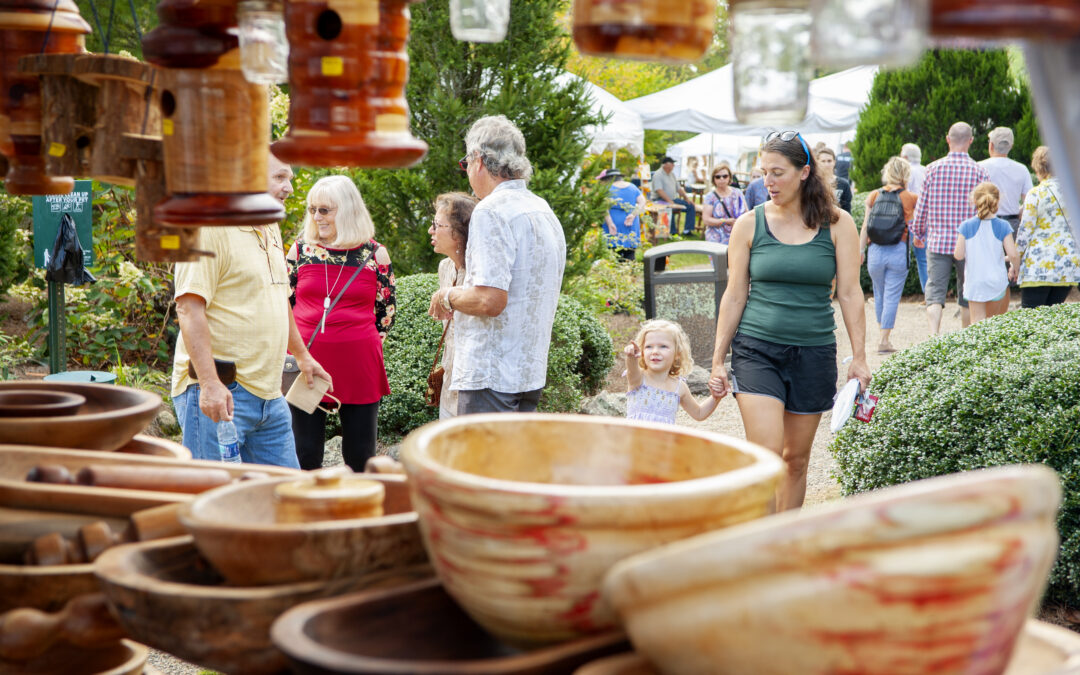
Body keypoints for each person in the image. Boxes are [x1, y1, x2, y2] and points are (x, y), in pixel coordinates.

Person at [707, 131, 870, 512]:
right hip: (756, 349)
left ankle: (785, 543)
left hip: (813, 352)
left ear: (804, 172)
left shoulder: (838, 224)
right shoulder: (749, 224)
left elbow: (850, 292)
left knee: (794, 460)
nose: (768, 182)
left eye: (777, 172)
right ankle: (758, 546)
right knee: (765, 458)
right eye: (764, 172)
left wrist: (859, 356)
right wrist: (717, 357)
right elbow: (734, 294)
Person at [171, 152, 330, 466]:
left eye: (290, 179)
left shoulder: (268, 225)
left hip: (270, 396)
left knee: (285, 499)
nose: (290, 188)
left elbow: (278, 296)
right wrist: (210, 384)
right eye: (280, 178)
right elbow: (189, 308)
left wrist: (302, 355)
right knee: (216, 501)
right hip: (223, 393)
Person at [430, 115, 566, 414]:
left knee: (480, 462)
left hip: (490, 376)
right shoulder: (542, 209)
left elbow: (489, 300)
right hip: (530, 371)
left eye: (465, 163)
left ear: (478, 159)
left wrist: (447, 296)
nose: (466, 172)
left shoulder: (491, 210)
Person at [286, 176, 395, 471]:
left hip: (358, 363)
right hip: (306, 361)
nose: (316, 217)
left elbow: (385, 312)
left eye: (325, 210)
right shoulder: (301, 251)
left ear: (347, 210)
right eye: (312, 210)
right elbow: (283, 303)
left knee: (361, 455)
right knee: (304, 453)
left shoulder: (375, 254)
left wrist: (353, 340)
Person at [911, 122, 991, 335]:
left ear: (948, 139)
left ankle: (933, 335)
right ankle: (964, 337)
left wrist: (918, 233)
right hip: (969, 244)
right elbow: (986, 212)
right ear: (971, 141)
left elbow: (922, 207)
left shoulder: (932, 169)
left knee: (935, 291)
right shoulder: (980, 172)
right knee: (968, 292)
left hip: (937, 241)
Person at [859, 156, 918, 354]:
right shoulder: (910, 197)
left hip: (875, 250)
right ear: (905, 175)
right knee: (892, 296)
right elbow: (915, 226)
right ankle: (884, 340)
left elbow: (866, 226)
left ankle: (882, 334)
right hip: (897, 249)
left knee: (879, 293)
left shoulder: (874, 195)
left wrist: (860, 251)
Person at [429, 192, 478, 419]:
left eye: (436, 225)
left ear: (457, 233)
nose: (431, 230)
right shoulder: (445, 268)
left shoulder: (480, 273)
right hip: (449, 382)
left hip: (476, 387)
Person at [1015, 146, 1080, 308]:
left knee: (1031, 322)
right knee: (1051, 321)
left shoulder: (1036, 193)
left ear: (1039, 167)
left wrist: (1015, 262)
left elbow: (1025, 231)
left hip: (1038, 266)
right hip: (1067, 266)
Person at [624, 319, 721, 425]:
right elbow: (632, 369)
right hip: (635, 440)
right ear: (642, 351)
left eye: (663, 346)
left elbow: (699, 413)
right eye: (648, 347)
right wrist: (631, 356)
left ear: (677, 353)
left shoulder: (679, 387)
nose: (655, 351)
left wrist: (715, 398)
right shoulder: (639, 379)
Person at [953, 182, 1019, 323]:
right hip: (997, 281)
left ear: (974, 200)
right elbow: (1013, 254)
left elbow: (958, 255)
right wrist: (1015, 268)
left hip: (975, 281)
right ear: (997, 200)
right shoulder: (1003, 225)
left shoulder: (966, 226)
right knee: (995, 322)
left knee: (977, 322)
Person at [979, 127, 1033, 240]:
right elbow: (1029, 202)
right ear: (1011, 146)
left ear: (991, 145)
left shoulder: (979, 167)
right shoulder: (1022, 169)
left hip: (986, 223)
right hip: (1012, 224)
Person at [601, 169, 645, 262]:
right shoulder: (633, 187)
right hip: (630, 222)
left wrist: (610, 223)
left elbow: (604, 208)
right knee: (630, 252)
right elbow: (642, 202)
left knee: (614, 252)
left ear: (609, 179)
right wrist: (633, 215)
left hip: (614, 222)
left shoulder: (607, 188)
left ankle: (618, 273)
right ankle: (628, 272)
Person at [901, 142, 928, 291]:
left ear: (905, 156)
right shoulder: (926, 170)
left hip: (910, 219)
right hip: (926, 219)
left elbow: (905, 197)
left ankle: (899, 289)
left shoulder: (906, 172)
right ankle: (927, 292)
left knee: (903, 256)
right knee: (923, 258)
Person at [701, 161, 746, 245]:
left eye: (725, 176)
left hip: (737, 235)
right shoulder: (710, 197)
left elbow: (746, 213)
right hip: (716, 237)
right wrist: (725, 221)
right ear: (713, 179)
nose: (721, 179)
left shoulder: (738, 193)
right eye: (718, 177)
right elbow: (706, 220)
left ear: (729, 177)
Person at [650, 156, 696, 236]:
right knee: (669, 207)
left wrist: (687, 198)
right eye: (672, 163)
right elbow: (659, 190)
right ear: (665, 165)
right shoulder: (658, 174)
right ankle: (672, 232)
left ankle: (687, 230)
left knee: (690, 206)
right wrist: (669, 201)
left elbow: (679, 188)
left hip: (672, 199)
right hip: (659, 200)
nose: (673, 165)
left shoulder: (672, 174)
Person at [816, 147, 853, 213]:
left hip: (838, 220)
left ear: (834, 162)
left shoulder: (844, 184)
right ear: (817, 163)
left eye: (829, 161)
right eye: (823, 161)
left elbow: (847, 210)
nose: (826, 164)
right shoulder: (812, 183)